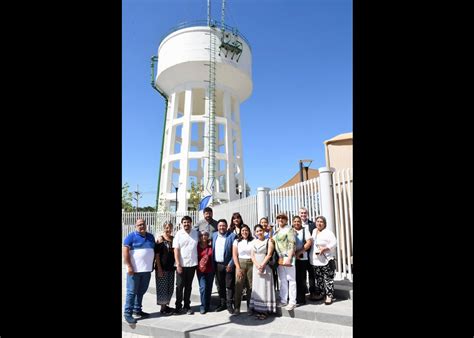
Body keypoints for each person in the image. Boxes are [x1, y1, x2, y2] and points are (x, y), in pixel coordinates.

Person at [123, 218, 156, 324]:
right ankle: (127, 313)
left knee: (141, 291)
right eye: (139, 225)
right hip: (134, 271)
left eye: (143, 224)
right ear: (136, 226)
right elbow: (125, 251)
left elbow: (153, 251)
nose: (142, 226)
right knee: (131, 292)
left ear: (146, 225)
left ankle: (137, 310)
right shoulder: (131, 236)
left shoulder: (151, 236)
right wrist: (128, 266)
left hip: (146, 270)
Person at [249, 224, 277, 320]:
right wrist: (257, 265)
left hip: (266, 266)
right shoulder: (253, 242)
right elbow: (252, 255)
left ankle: (265, 310)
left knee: (265, 287)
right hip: (256, 266)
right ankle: (258, 308)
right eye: (257, 231)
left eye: (260, 230)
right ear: (255, 233)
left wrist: (262, 265)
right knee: (257, 286)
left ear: (263, 231)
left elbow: (269, 254)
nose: (259, 232)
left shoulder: (268, 241)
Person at [173, 215, 199, 314]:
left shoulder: (196, 233)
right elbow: (176, 250)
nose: (186, 224)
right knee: (179, 286)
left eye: (188, 222)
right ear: (182, 224)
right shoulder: (178, 234)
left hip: (192, 264)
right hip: (181, 265)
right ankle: (178, 306)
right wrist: (178, 264)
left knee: (189, 286)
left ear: (191, 223)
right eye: (184, 222)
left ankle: (187, 306)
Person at [309, 215, 337, 305]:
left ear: (325, 224)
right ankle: (321, 294)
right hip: (315, 260)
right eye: (317, 221)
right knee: (319, 279)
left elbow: (334, 243)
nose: (319, 223)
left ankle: (329, 296)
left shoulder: (328, 232)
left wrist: (325, 248)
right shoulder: (314, 231)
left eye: (321, 222)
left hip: (326, 260)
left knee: (328, 279)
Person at [273, 212, 297, 311]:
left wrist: (290, 257)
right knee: (282, 279)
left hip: (288, 256)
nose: (280, 220)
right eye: (278, 218)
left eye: (282, 218)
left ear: (286, 220)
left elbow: (292, 243)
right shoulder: (277, 231)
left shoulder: (289, 229)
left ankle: (292, 301)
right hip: (280, 257)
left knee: (291, 280)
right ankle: (283, 300)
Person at [212, 218, 237, 314]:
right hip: (217, 265)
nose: (221, 227)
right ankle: (222, 304)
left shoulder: (232, 236)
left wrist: (231, 264)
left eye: (223, 225)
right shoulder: (214, 235)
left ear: (226, 227)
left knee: (229, 286)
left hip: (228, 265)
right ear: (217, 227)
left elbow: (235, 252)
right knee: (220, 285)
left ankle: (229, 304)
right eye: (220, 226)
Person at [232, 224, 254, 315]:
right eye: (243, 231)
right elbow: (234, 255)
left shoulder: (253, 241)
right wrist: (238, 267)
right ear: (240, 232)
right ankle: (237, 308)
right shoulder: (236, 241)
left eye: (246, 230)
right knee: (238, 286)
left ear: (249, 231)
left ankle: (250, 307)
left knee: (250, 286)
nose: (245, 232)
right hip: (240, 263)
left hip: (251, 264)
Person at [154, 221, 175, 315]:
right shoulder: (160, 239)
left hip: (171, 268)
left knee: (170, 288)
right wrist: (159, 269)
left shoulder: (173, 239)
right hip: (162, 268)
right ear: (164, 228)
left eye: (170, 227)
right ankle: (162, 309)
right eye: (166, 227)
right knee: (162, 288)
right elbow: (157, 255)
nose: (168, 229)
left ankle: (166, 306)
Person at [292, 215, 313, 306]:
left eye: (298, 221)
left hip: (302, 257)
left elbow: (309, 243)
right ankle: (293, 297)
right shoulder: (290, 230)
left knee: (301, 278)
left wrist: (299, 252)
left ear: (301, 222)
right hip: (291, 258)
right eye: (295, 221)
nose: (297, 223)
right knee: (293, 278)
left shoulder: (305, 230)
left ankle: (301, 298)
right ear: (292, 222)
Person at [299, 207, 317, 300]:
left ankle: (312, 292)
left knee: (311, 273)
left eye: (305, 213)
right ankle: (303, 291)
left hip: (310, 253)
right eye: (301, 213)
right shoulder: (296, 225)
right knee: (301, 274)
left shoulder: (313, 225)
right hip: (300, 254)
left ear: (307, 214)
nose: (303, 215)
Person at [197, 230, 215, 314]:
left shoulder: (211, 246)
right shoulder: (196, 246)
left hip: (210, 270)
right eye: (202, 235)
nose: (203, 237)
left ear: (208, 237)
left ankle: (207, 305)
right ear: (199, 237)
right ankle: (202, 306)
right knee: (203, 288)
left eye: (205, 235)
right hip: (200, 271)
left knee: (209, 288)